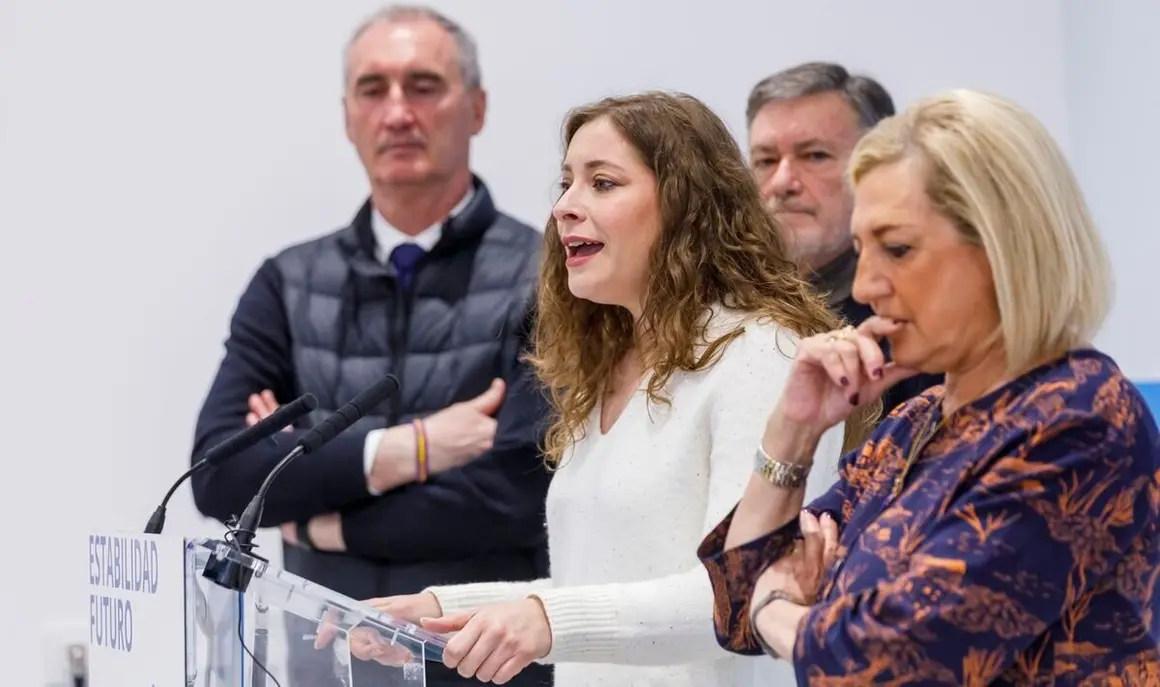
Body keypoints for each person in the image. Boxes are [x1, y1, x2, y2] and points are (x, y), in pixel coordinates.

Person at [324, 91, 867, 686]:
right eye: (567, 183)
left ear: (687, 204)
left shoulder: (764, 352)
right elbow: (597, 588)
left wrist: (544, 619)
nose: (565, 207)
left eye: (602, 184)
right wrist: (439, 611)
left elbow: (748, 590)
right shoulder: (610, 365)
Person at [697, 89, 1160, 684]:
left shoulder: (1079, 420)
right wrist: (795, 427)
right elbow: (736, 603)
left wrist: (779, 610)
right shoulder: (918, 420)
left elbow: (880, 661)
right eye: (862, 249)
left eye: (897, 249)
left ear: (1004, 250)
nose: (864, 287)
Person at [189, 6, 553, 686]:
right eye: (372, 89)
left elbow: (513, 497)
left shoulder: (547, 279)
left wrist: (319, 512)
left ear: (475, 107)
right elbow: (219, 475)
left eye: (423, 86)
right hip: (319, 665)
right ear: (347, 115)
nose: (397, 112)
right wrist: (411, 450)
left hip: (485, 670)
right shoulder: (287, 283)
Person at [745, 61, 941, 413]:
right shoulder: (726, 307)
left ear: (877, 165)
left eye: (814, 156)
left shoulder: (916, 315)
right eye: (766, 160)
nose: (782, 183)